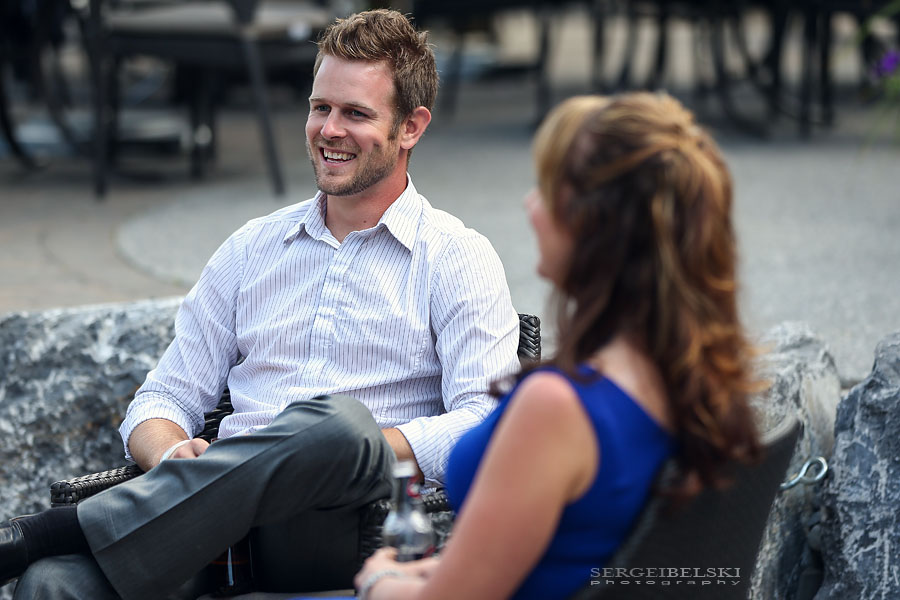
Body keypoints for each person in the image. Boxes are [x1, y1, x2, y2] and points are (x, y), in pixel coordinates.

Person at [0, 9, 520, 598]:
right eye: (320, 107)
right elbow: (162, 398)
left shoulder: (456, 257)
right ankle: (49, 546)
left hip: (344, 530)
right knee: (51, 584)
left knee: (338, 425)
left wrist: (351, 448)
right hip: (210, 531)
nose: (329, 129)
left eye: (355, 113)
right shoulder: (252, 249)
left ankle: (42, 531)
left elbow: (487, 423)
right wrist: (174, 453)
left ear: (411, 127)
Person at [353, 92, 763, 600]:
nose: (529, 206)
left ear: (593, 226)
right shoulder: (692, 376)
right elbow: (574, 550)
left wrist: (377, 581)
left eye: (545, 189)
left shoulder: (559, 408)